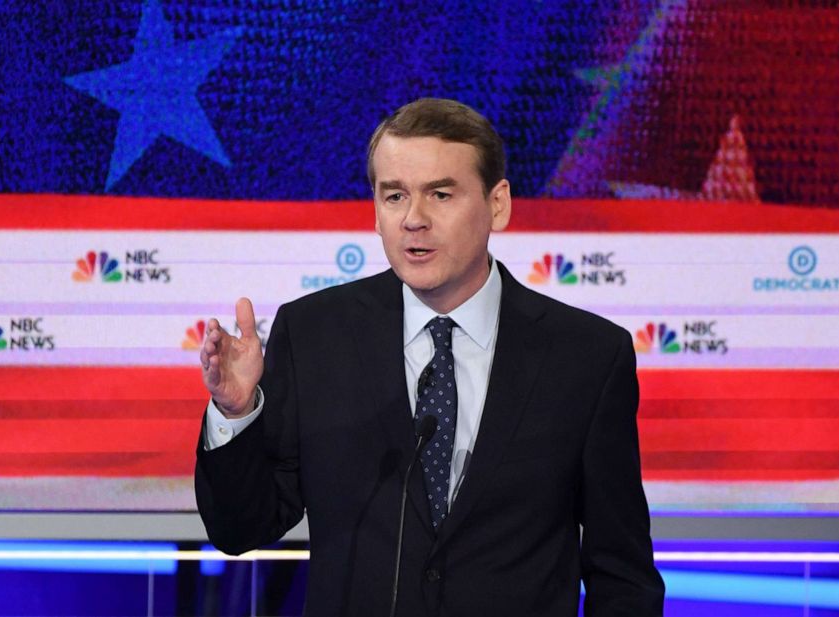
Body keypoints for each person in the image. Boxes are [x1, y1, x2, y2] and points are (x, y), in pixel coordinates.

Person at [195, 98, 665, 616]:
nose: (413, 220)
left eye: (440, 194)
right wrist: (236, 415)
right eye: (393, 196)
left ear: (498, 204)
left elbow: (622, 573)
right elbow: (242, 530)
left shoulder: (587, 356)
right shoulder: (313, 335)